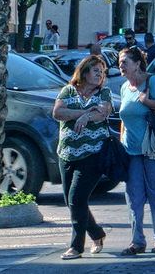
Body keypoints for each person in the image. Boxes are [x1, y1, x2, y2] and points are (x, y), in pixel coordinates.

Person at [116, 46, 155, 256]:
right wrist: (122, 141)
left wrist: (148, 101)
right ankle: (137, 241)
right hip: (132, 150)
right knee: (133, 195)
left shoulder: (153, 82)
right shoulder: (125, 87)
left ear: (137, 64)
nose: (121, 65)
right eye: (119, 62)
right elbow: (125, 118)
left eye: (125, 62)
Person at [51, 55, 114, 258]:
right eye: (96, 71)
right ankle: (97, 233)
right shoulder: (68, 90)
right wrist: (84, 113)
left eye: (102, 72)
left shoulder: (103, 92)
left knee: (77, 198)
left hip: (93, 154)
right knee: (71, 201)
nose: (99, 75)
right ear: (85, 72)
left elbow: (102, 113)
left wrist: (87, 115)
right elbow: (58, 113)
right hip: (67, 153)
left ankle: (76, 246)